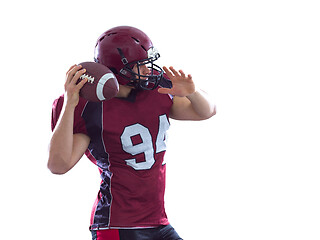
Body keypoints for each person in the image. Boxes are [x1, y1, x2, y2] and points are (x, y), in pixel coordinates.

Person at [48, 26, 216, 240]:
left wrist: (193, 93)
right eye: (141, 65)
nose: (148, 70)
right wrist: (69, 105)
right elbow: (58, 165)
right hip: (117, 225)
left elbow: (207, 111)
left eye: (148, 63)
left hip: (158, 221)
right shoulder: (90, 106)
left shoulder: (157, 90)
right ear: (118, 70)